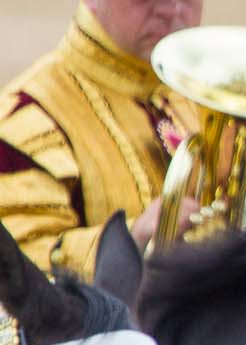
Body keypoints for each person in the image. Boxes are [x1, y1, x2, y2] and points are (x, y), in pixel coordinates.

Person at [0, 0, 201, 277]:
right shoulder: (27, 116)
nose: (172, 9)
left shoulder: (202, 99)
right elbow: (17, 271)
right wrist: (128, 241)